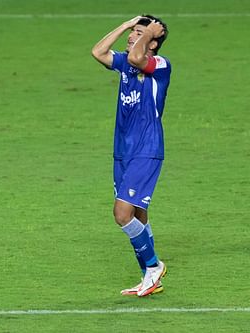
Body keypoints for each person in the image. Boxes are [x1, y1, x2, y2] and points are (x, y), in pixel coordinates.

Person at [91, 15, 171, 296]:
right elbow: (97, 52)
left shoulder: (159, 66)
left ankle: (153, 266)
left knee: (122, 214)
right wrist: (126, 25)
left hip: (146, 149)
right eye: (131, 33)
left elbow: (139, 59)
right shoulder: (126, 61)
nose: (130, 37)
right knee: (138, 214)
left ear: (153, 42)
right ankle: (150, 277)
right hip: (123, 151)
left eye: (138, 33)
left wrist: (147, 33)